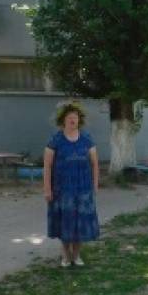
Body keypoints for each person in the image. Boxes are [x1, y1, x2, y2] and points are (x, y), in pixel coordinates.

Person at [44, 100, 100, 268]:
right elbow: (47, 166)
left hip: (83, 189)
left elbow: (95, 164)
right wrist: (47, 188)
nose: (72, 120)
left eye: (75, 117)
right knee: (65, 223)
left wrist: (95, 185)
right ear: (63, 120)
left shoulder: (87, 139)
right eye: (69, 117)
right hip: (62, 190)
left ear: (79, 120)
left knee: (80, 223)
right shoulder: (55, 140)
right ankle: (65, 255)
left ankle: (76, 255)